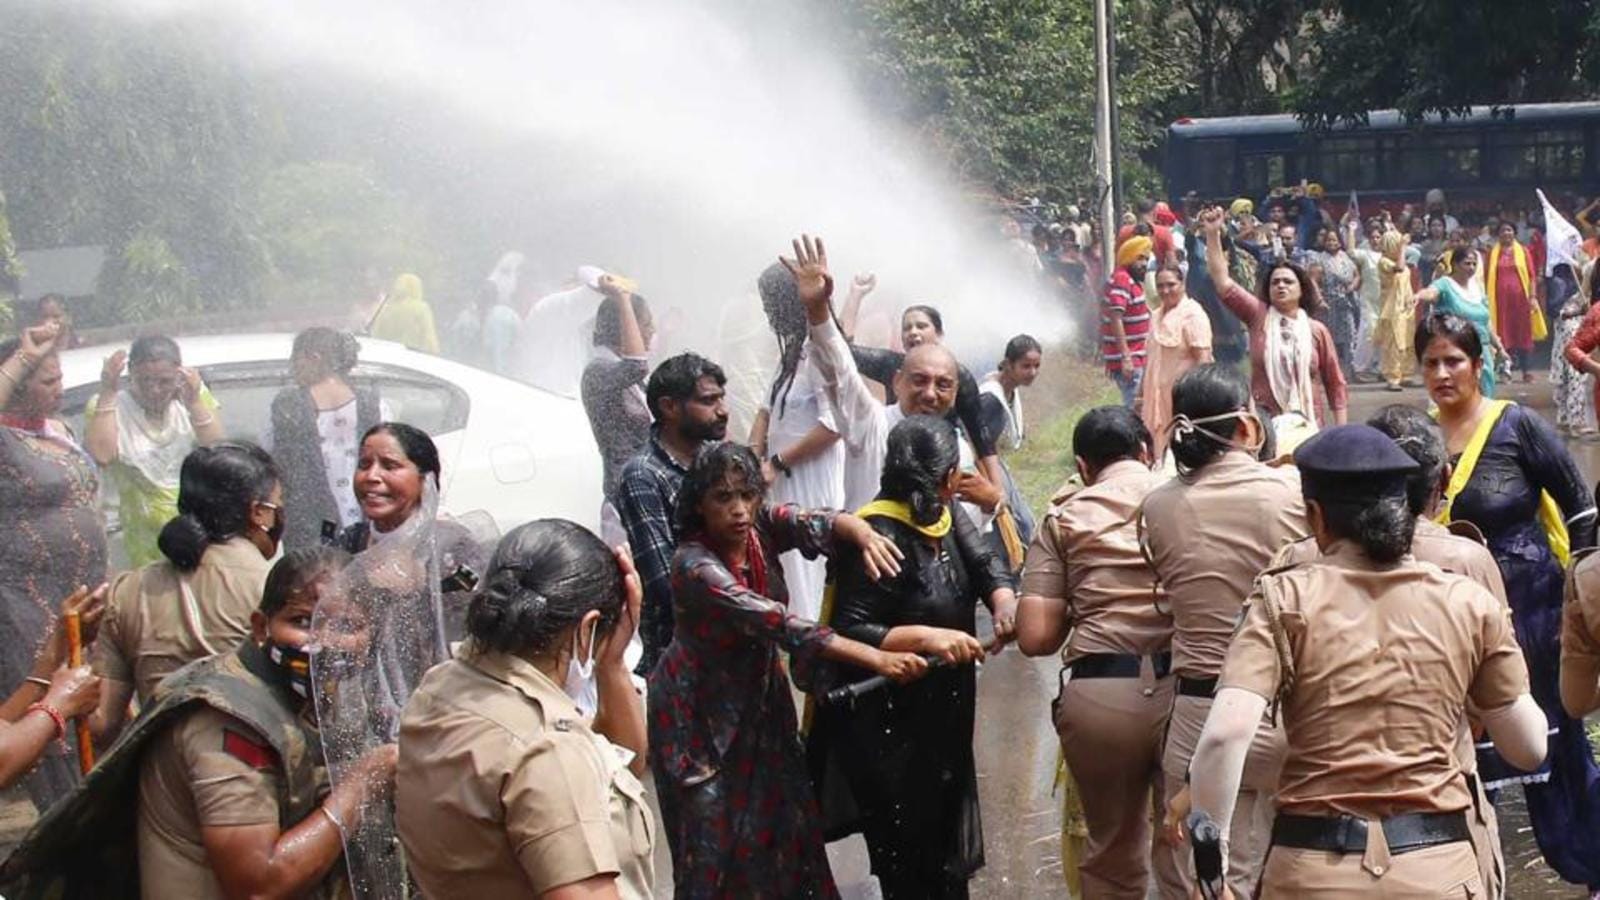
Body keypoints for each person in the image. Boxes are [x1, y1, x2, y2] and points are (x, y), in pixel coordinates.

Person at [1187, 424, 1548, 899]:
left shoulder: (1281, 598)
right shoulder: (1466, 601)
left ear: (1315, 517)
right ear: (1406, 508)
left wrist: (1212, 869)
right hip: (1437, 868)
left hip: (1312, 873)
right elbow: (1527, 747)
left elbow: (1224, 736)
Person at [0, 547, 398, 900]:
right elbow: (259, 884)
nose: (323, 643)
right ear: (260, 627)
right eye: (302, 621)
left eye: (346, 627)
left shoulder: (310, 699)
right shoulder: (232, 720)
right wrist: (362, 783)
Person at [651, 442, 925, 898]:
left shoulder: (757, 526)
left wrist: (860, 531)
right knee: (711, 838)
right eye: (723, 498)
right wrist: (877, 658)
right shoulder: (693, 565)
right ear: (698, 503)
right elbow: (779, 623)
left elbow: (808, 520)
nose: (739, 510)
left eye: (747, 494)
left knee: (786, 816)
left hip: (758, 698)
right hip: (697, 714)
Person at [1269, 404, 1513, 898]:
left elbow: (1251, 719)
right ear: (1439, 480)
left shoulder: (1295, 568)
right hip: (1438, 816)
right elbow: (1499, 704)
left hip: (1318, 825)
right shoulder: (1466, 562)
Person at [1418, 313, 1600, 891]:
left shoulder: (1516, 426)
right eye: (1431, 363)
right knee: (1464, 750)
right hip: (1449, 623)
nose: (1443, 373)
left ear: (1478, 366)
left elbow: (1581, 508)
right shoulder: (1414, 438)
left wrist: (1583, 601)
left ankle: (1591, 864)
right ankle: (1474, 874)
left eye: (1454, 361)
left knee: (1558, 743)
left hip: (1534, 618)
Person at [808, 414, 1016, 900]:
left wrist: (1004, 601)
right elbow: (849, 629)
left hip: (946, 707)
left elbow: (985, 563)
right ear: (947, 478)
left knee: (944, 843)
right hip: (890, 720)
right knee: (908, 850)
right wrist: (927, 636)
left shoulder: (944, 515)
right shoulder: (878, 532)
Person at [398, 521, 656, 899]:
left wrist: (610, 663)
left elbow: (621, 764)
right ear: (586, 629)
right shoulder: (547, 749)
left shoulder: (443, 685)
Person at [1138, 363, 1304, 898]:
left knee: (1200, 882)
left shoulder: (1158, 506)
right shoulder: (1291, 494)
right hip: (1282, 716)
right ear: (1248, 427)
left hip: (1196, 718)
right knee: (1285, 871)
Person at [1016, 407, 1181, 899]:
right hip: (1187, 695)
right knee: (1187, 852)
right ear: (1147, 453)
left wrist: (1082, 599)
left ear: (1083, 466)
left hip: (1102, 696)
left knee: (1111, 855)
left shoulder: (1065, 516)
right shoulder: (1185, 502)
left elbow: (1036, 636)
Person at [790, 236, 1006, 540]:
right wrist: (818, 311)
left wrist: (992, 502)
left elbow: (966, 536)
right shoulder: (870, 424)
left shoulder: (958, 452)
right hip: (869, 573)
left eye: (943, 385)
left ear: (955, 393)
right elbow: (839, 367)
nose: (930, 393)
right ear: (897, 382)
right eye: (919, 380)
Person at [92, 442, 285, 742]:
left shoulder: (127, 591)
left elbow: (101, 724)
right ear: (259, 513)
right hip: (253, 771)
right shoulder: (279, 589)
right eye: (278, 505)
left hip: (160, 776)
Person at [0, 323, 107, 809]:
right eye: (46, 380)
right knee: (47, 709)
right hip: (27, 601)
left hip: (79, 597)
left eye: (60, 377)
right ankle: (61, 823)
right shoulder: (4, 441)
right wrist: (23, 356)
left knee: (92, 701)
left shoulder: (57, 430)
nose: (59, 388)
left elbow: (104, 456)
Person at [616, 352, 729, 675]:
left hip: (731, 635)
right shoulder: (643, 475)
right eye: (708, 401)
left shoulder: (717, 459)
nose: (723, 411)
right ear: (669, 407)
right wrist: (742, 607)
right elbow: (665, 581)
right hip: (679, 651)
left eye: (722, 398)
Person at [835, 291, 1006, 496]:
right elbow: (841, 351)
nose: (913, 332)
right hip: (893, 454)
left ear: (939, 334)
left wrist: (997, 492)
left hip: (942, 460)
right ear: (898, 380)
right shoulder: (889, 364)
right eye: (907, 328)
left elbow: (981, 435)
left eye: (921, 326)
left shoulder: (958, 375)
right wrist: (855, 295)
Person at [749, 262, 845, 620]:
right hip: (781, 478)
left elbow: (833, 425)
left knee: (810, 566)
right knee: (789, 567)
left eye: (769, 302)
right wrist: (750, 459)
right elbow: (764, 410)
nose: (766, 312)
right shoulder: (790, 351)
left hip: (810, 478)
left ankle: (819, 641)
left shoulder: (820, 352)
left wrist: (776, 463)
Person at [334, 422, 488, 638]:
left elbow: (468, 631)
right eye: (364, 464)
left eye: (389, 466)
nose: (371, 476)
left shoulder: (452, 549)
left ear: (425, 479)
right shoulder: (348, 543)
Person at [1199, 208, 1348, 427]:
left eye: (1288, 282)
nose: (1280, 285)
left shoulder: (1316, 330)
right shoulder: (1258, 315)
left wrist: (1340, 431)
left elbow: (1336, 383)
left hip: (1309, 424)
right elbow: (1222, 282)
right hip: (1266, 423)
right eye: (1275, 282)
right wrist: (1212, 234)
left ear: (1302, 290)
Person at [85, 335, 224, 567]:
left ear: (179, 375)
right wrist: (108, 391)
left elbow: (218, 451)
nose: (154, 390)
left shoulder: (192, 399)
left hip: (197, 533)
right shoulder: (110, 406)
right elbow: (102, 455)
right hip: (139, 541)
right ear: (130, 374)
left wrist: (194, 403)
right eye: (144, 381)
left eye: (164, 381)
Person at [267, 327, 384, 551]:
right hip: (365, 516)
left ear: (314, 358)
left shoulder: (289, 405)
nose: (292, 369)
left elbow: (278, 461)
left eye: (295, 360)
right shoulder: (371, 403)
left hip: (311, 523)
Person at [580, 276, 654, 546]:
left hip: (643, 492)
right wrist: (623, 298)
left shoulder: (620, 374)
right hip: (623, 498)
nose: (651, 332)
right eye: (644, 324)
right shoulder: (598, 372)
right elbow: (637, 364)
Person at [1139, 263, 1213, 460]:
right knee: (1156, 451)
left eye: (1171, 284)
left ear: (1183, 284)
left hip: (1181, 402)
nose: (1165, 290)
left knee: (1181, 452)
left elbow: (1203, 362)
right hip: (1154, 401)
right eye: (1160, 285)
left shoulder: (1193, 315)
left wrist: (1199, 402)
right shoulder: (1155, 315)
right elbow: (1151, 361)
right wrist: (1140, 398)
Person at [978, 334, 1042, 547]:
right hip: (986, 467)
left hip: (996, 463)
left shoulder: (1009, 389)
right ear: (1008, 364)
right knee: (1022, 525)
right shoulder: (991, 400)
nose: (1032, 372)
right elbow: (980, 448)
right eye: (1026, 366)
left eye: (1036, 366)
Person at [1416, 247, 1501, 397]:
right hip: (1456, 349)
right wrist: (1419, 296)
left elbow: (1485, 322)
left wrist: (1499, 347)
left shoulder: (1477, 288)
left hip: (1483, 350)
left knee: (1486, 393)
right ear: (1455, 265)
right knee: (1458, 391)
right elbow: (1431, 293)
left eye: (1474, 264)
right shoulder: (1445, 284)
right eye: (1467, 263)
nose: (1471, 268)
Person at [1484, 221, 1541, 381]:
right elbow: (1485, 276)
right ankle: (1504, 370)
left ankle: (1526, 371)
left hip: (1521, 302)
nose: (1506, 233)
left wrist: (1533, 297)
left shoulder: (1523, 251)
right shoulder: (1491, 254)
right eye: (1503, 230)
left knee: (1523, 334)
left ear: (1514, 233)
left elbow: (1531, 276)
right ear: (1498, 234)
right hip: (1499, 303)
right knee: (1502, 333)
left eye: (1509, 230)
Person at [1102, 235, 1152, 407]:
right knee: (1135, 407)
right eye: (1140, 258)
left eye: (1146, 258)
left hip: (1137, 355)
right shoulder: (1122, 279)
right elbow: (1116, 317)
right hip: (1131, 358)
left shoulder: (1131, 280)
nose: (1144, 263)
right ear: (1128, 257)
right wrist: (1125, 357)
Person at [1307, 226, 1362, 376]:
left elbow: (1357, 275)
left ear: (1339, 242)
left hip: (1347, 304)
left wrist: (1352, 286)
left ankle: (1350, 370)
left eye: (1335, 240)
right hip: (1328, 304)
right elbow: (1312, 281)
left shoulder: (1346, 257)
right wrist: (1319, 300)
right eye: (1329, 240)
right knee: (1329, 339)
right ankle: (1329, 371)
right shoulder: (1318, 258)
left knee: (1350, 336)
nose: (1332, 243)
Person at [1550, 262, 1597, 436]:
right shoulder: (1565, 288)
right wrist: (1581, 311)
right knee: (1574, 378)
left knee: (1566, 379)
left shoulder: (1576, 289)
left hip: (1566, 341)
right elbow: (1558, 312)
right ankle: (1575, 422)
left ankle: (1565, 420)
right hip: (1571, 338)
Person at [1374, 229, 1418, 391]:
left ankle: (1406, 374)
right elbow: (1399, 267)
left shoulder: (1401, 262)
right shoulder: (1384, 262)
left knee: (1407, 342)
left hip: (1405, 307)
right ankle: (1392, 378)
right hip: (1392, 310)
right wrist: (1403, 246)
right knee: (1393, 344)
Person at [368, 272, 440, 354]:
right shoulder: (421, 308)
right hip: (411, 356)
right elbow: (428, 336)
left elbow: (375, 333)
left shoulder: (387, 308)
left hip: (385, 354)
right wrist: (434, 351)